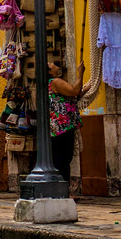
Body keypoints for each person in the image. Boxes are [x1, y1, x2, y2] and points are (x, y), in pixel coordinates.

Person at [48, 58, 85, 186]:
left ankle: (63, 190)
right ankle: (63, 191)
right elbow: (74, 90)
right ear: (50, 72)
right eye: (51, 64)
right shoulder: (56, 82)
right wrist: (80, 73)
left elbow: (73, 93)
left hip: (58, 127)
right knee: (63, 160)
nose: (54, 64)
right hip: (61, 126)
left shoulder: (52, 83)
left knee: (61, 160)